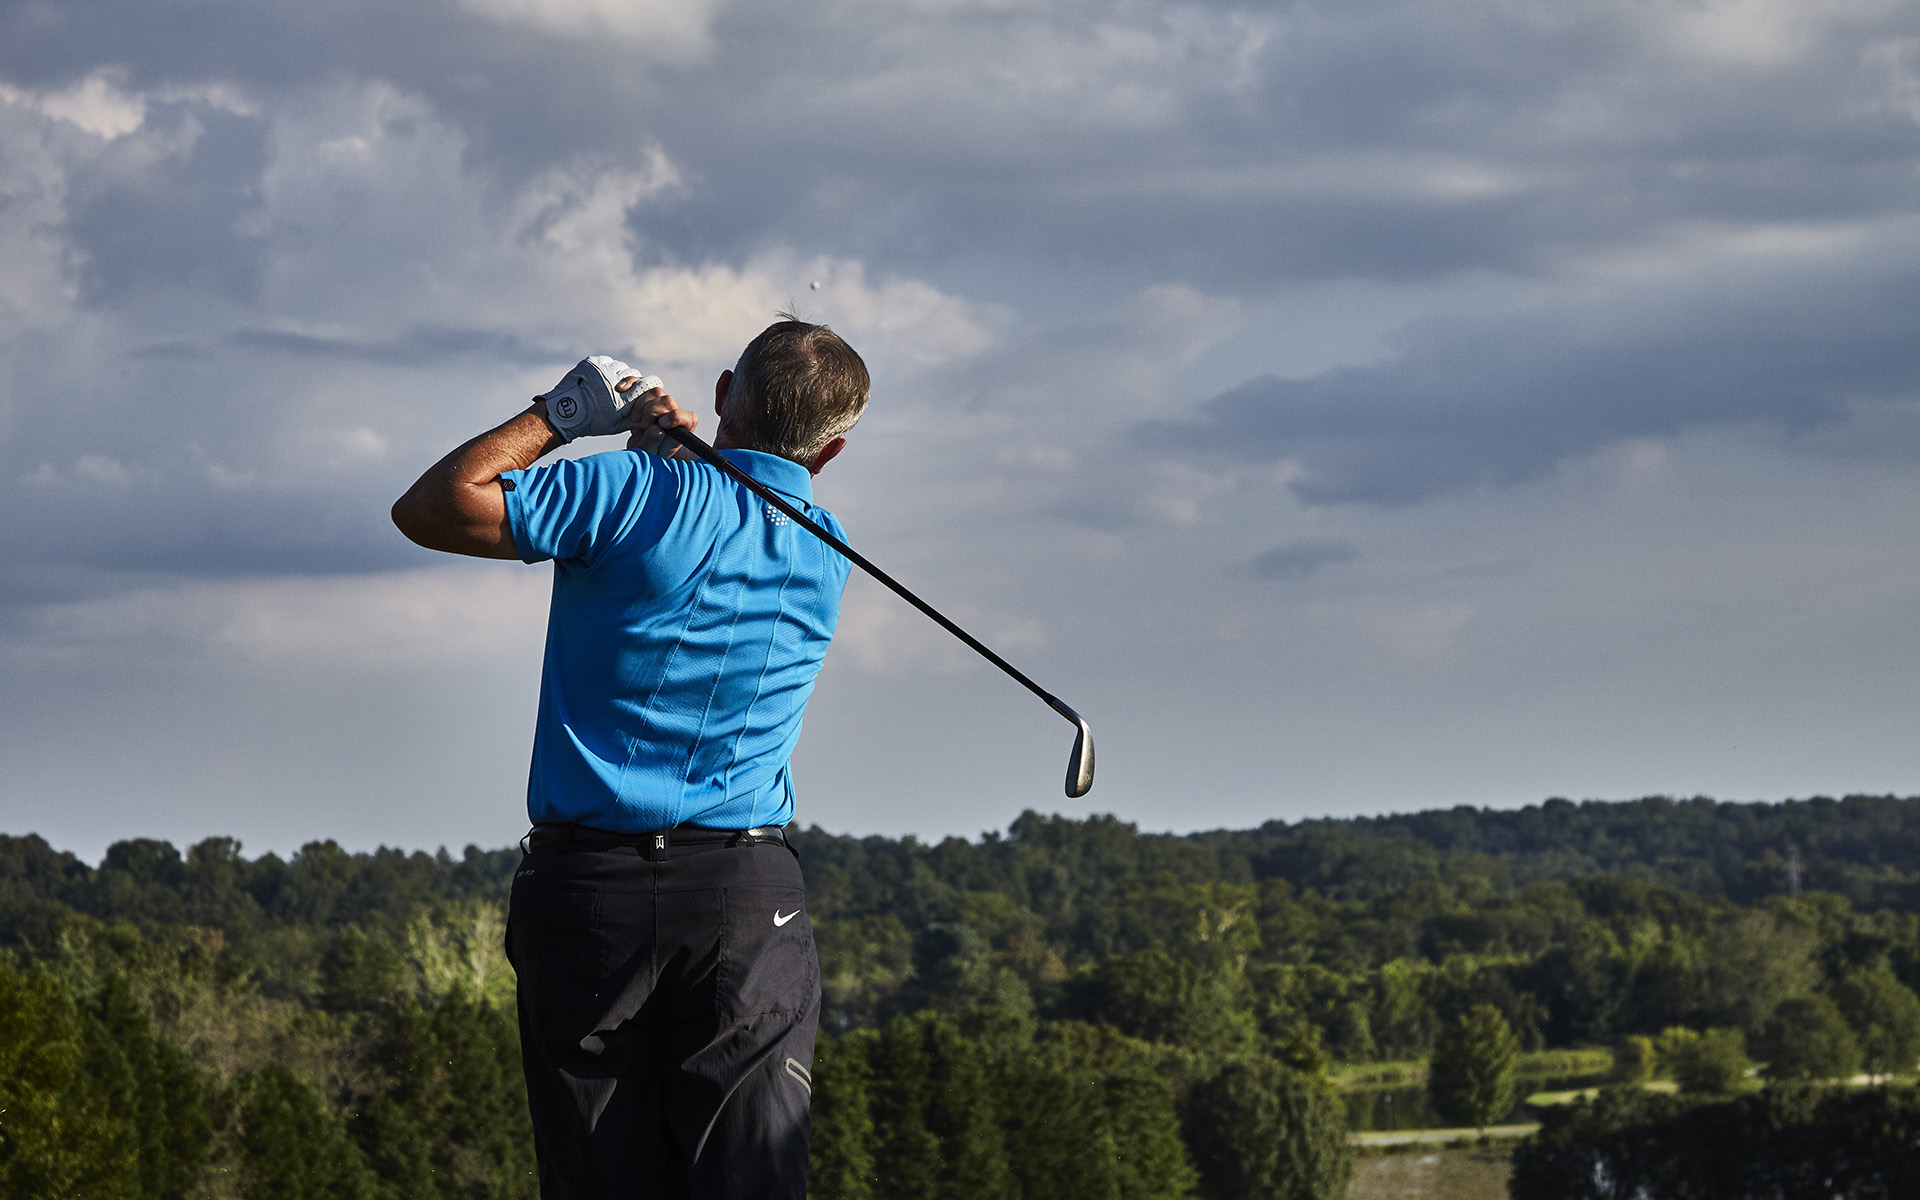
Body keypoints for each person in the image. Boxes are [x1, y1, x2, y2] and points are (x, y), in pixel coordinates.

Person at [390, 316, 869, 1200]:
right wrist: (669, 467)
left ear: (722, 395)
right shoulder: (826, 548)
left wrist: (563, 414)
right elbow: (719, 519)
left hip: (588, 897)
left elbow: (433, 507)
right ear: (831, 451)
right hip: (745, 897)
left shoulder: (630, 490)